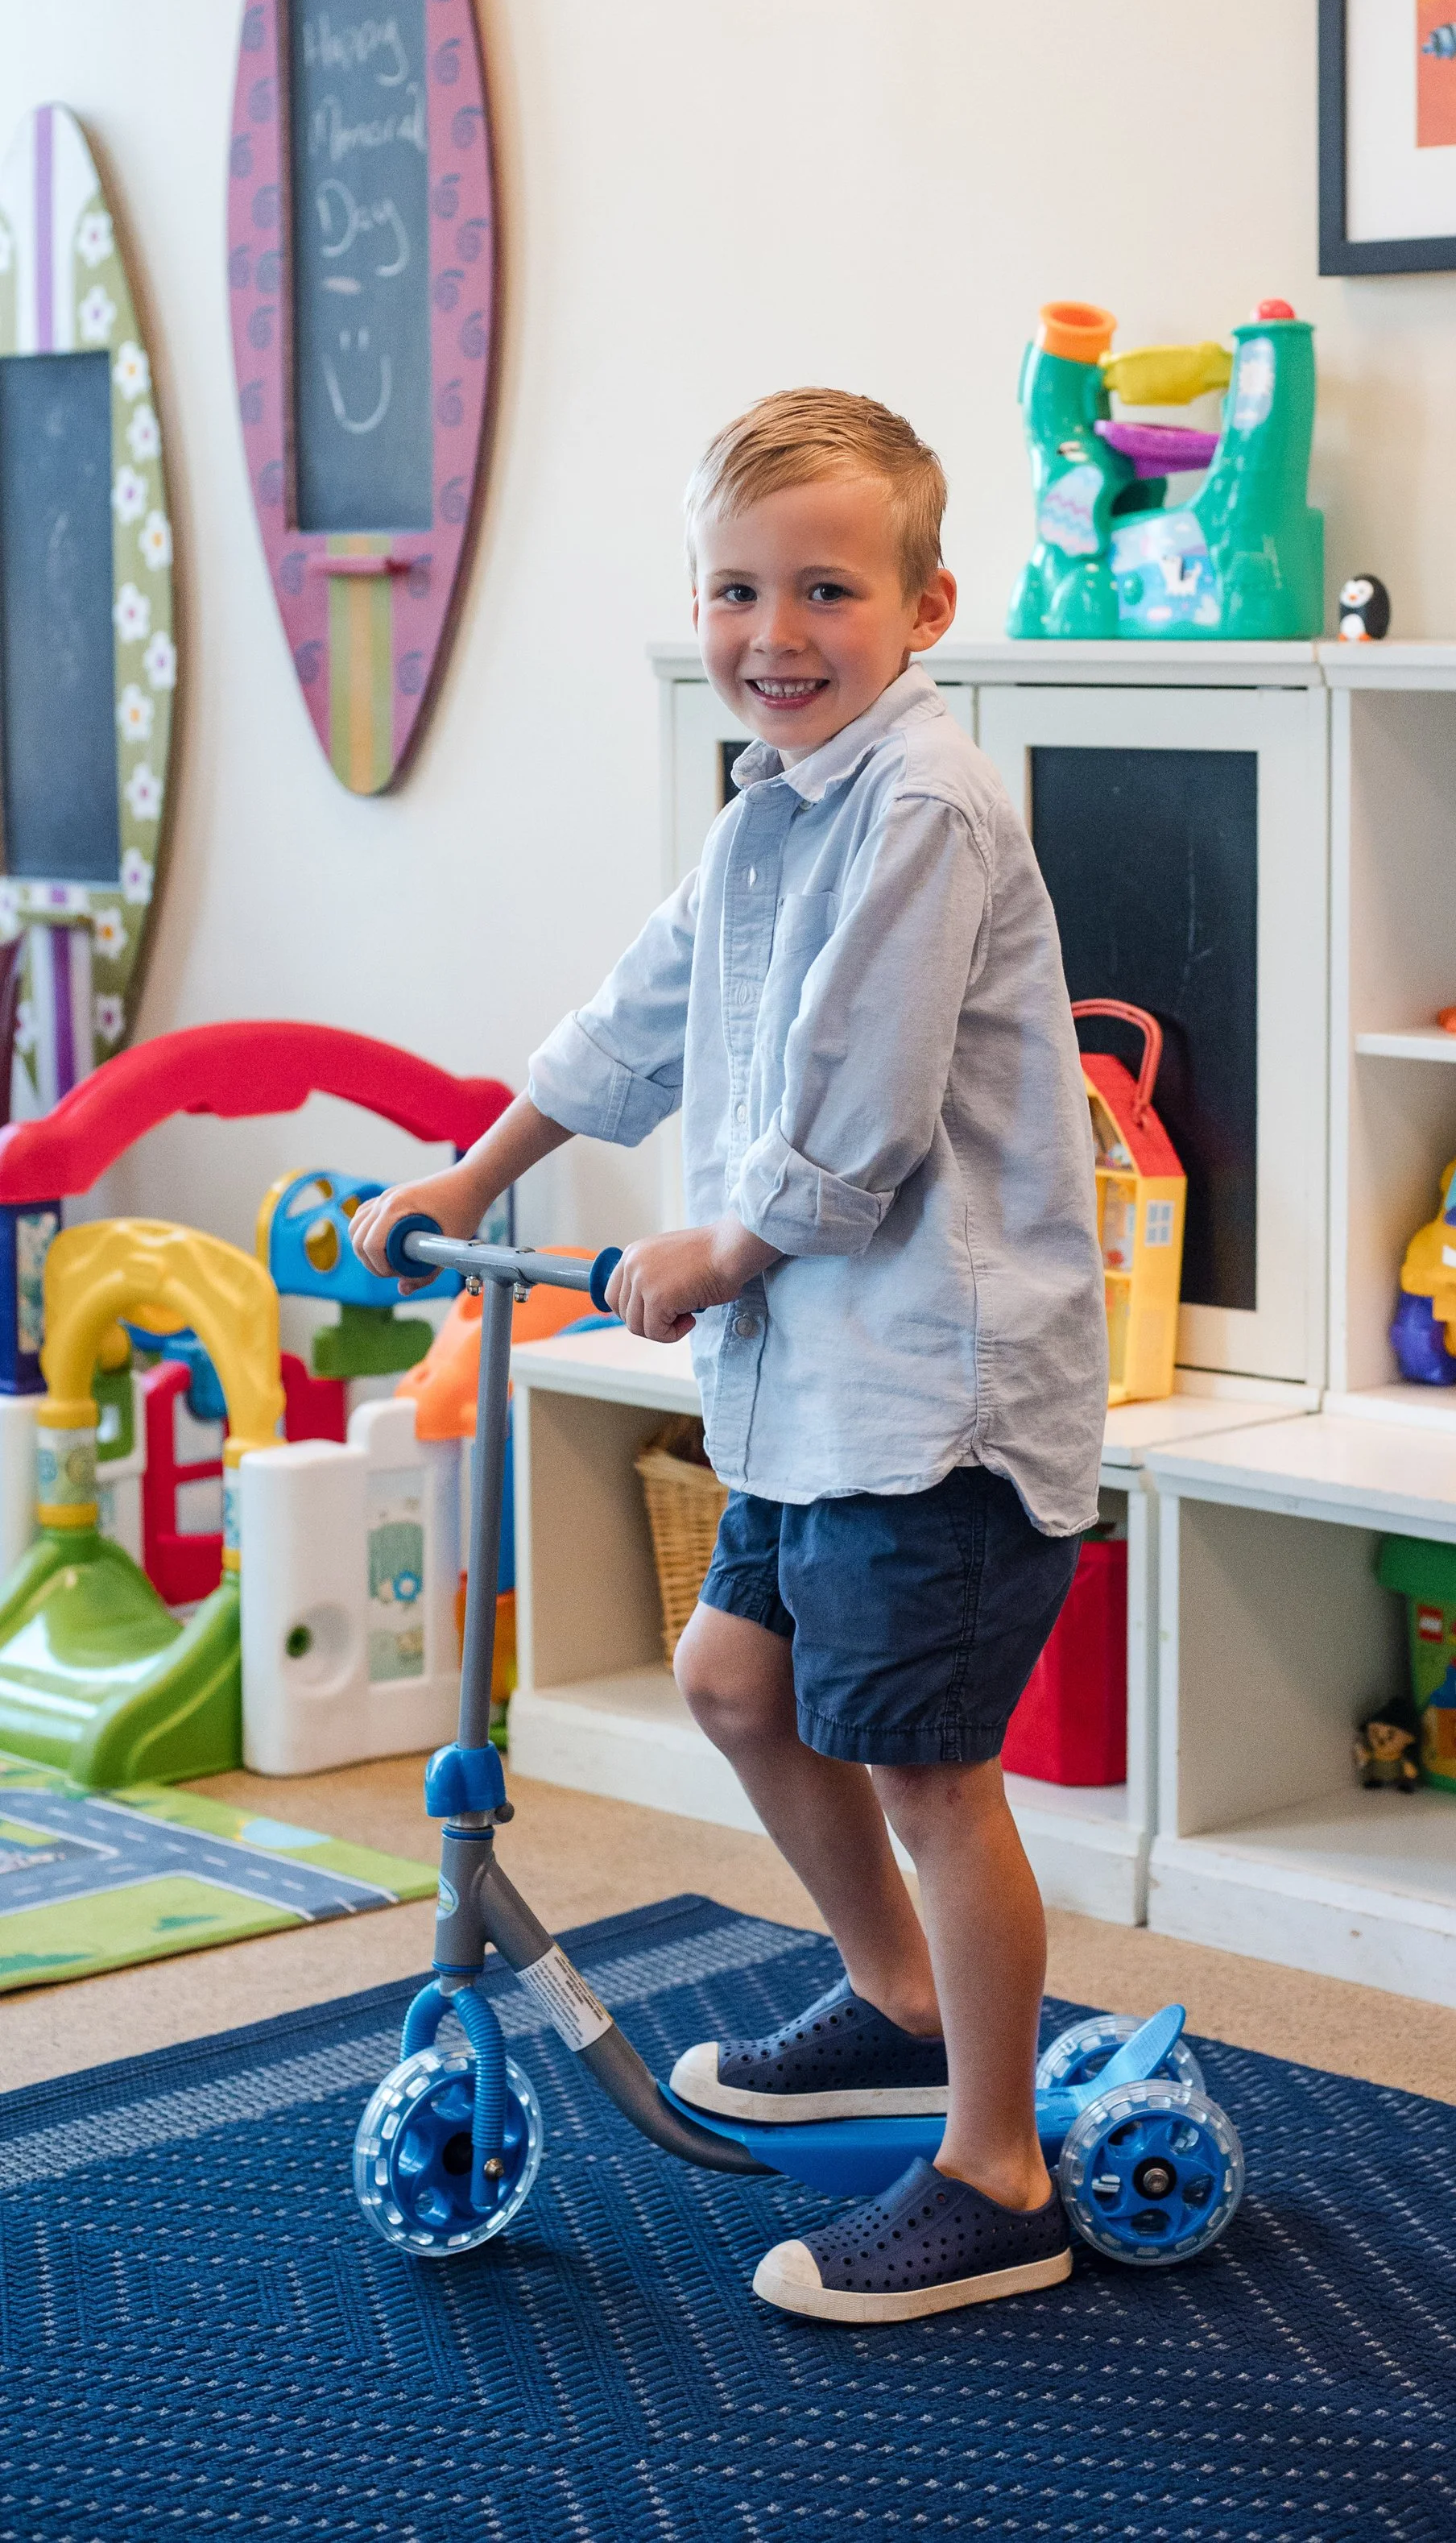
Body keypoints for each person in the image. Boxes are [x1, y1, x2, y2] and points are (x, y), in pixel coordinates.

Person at [354, 387, 1106, 2326]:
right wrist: (488, 1156)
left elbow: (856, 1105)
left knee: (931, 1773)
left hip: (924, 1395)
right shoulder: (776, 810)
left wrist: (720, 1244)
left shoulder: (925, 808)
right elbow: (644, 1007)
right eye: (736, 590)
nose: (774, 633)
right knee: (732, 1673)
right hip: (805, 1385)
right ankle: (894, 1997)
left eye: (826, 591)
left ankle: (999, 2174)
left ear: (925, 606)